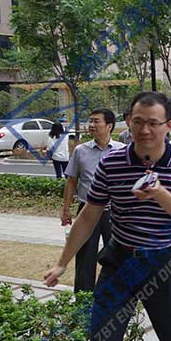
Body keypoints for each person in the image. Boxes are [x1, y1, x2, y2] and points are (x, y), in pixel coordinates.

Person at [44, 92, 171, 341]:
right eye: (138, 122)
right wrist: (62, 263)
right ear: (128, 122)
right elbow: (89, 215)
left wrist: (159, 192)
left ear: (168, 125)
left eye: (153, 123)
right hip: (119, 262)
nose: (144, 130)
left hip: (163, 264)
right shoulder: (112, 162)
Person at [61, 108, 125, 293]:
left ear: (109, 126)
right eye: (90, 121)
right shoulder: (81, 151)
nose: (91, 125)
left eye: (96, 121)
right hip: (87, 210)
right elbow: (71, 181)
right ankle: (83, 298)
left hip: (115, 211)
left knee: (118, 255)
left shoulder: (122, 151)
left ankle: (116, 296)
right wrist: (66, 209)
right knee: (85, 257)